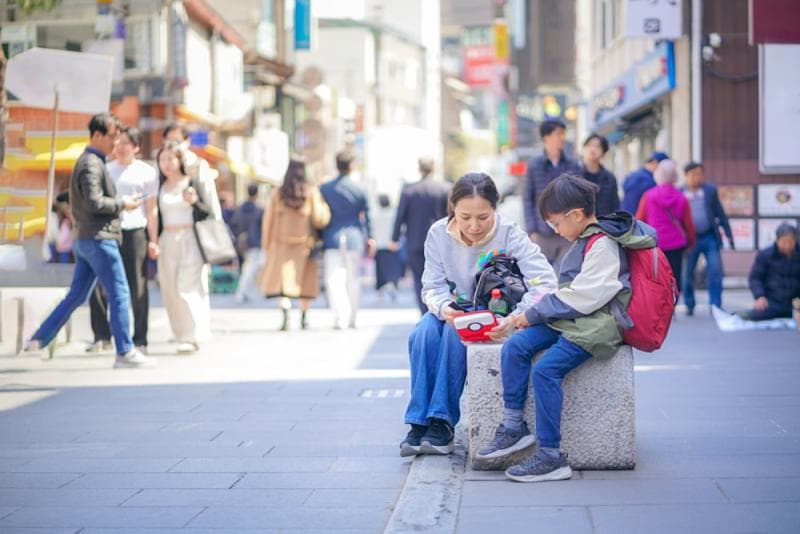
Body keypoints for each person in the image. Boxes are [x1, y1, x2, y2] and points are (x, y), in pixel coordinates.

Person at [476, 174, 656, 483]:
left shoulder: (602, 245)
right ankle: (513, 426)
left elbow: (585, 297)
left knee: (546, 370)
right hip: (574, 318)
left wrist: (528, 316)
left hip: (598, 324)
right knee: (515, 346)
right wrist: (523, 318)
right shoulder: (586, 240)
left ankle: (550, 456)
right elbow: (570, 298)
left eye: (557, 224)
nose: (556, 230)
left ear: (575, 215)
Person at [400, 172, 557, 458]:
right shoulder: (437, 233)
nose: (473, 226)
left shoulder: (510, 233)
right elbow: (431, 285)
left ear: (494, 209)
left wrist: (516, 317)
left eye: (483, 217)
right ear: (453, 210)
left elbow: (545, 282)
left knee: (453, 333)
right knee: (422, 333)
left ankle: (441, 422)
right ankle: (418, 421)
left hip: (492, 313)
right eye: (465, 217)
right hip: (450, 308)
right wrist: (442, 306)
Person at [24, 113, 154, 368]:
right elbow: (94, 202)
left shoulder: (91, 162)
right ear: (97, 135)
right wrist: (123, 204)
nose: (116, 142)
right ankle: (125, 351)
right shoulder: (92, 164)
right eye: (112, 136)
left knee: (76, 295)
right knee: (119, 292)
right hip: (99, 238)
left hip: (86, 238)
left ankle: (38, 339)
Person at [87, 126, 158, 353]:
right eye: (118, 142)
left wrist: (153, 240)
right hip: (108, 230)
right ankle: (101, 336)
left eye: (126, 143)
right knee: (99, 284)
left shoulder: (146, 172)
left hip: (135, 230)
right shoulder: (105, 169)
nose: (120, 147)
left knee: (137, 285)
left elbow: (152, 209)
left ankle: (140, 339)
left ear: (136, 147)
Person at [148, 142, 213, 353]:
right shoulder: (158, 186)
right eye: (162, 159)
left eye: (170, 159)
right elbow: (153, 215)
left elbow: (207, 211)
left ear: (179, 160)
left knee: (187, 285)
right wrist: (154, 241)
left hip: (190, 239)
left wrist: (194, 202)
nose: (166, 164)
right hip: (167, 239)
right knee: (170, 289)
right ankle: (180, 333)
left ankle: (192, 335)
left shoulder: (191, 182)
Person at [260, 157, 331, 330]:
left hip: (280, 245)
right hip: (304, 246)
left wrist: (266, 244)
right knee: (304, 282)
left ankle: (285, 313)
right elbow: (320, 219)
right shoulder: (311, 192)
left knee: (282, 282)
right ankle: (304, 316)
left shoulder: (278, 193)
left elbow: (268, 221)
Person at [319, 150, 376, 330]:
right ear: (352, 166)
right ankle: (353, 316)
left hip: (332, 237)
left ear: (336, 165)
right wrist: (371, 237)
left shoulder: (325, 188)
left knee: (333, 279)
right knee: (353, 279)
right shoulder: (360, 188)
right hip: (354, 238)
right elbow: (368, 216)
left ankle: (339, 316)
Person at [390, 157, 451, 314]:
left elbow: (400, 215)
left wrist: (394, 238)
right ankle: (438, 308)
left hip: (415, 241)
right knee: (440, 276)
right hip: (441, 242)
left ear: (419, 169)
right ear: (434, 168)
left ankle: (424, 311)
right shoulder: (444, 188)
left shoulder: (409, 190)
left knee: (419, 278)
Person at [522, 119, 581, 268]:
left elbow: (580, 197)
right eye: (558, 134)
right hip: (542, 232)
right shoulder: (534, 165)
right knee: (542, 276)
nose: (562, 138)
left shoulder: (572, 165)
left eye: (563, 134)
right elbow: (527, 199)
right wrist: (532, 230)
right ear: (546, 137)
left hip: (568, 232)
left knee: (564, 275)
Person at [681, 161, 735, 315]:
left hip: (710, 236)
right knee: (687, 272)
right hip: (690, 239)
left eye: (700, 174)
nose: (697, 177)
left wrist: (729, 235)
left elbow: (720, 213)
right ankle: (689, 304)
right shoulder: (679, 192)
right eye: (694, 174)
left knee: (715, 269)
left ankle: (715, 305)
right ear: (686, 176)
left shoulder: (710, 190)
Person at [635, 159, 696, 286]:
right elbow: (688, 224)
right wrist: (691, 242)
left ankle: (658, 305)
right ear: (675, 176)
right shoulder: (681, 198)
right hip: (676, 245)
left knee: (656, 280)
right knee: (674, 279)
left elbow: (639, 221)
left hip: (654, 245)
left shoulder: (649, 196)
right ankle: (672, 304)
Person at [162, 123, 223, 220]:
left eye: (177, 141)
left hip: (194, 225)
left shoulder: (197, 164)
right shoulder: (161, 165)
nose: (173, 145)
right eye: (169, 140)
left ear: (187, 141)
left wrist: (217, 221)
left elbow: (209, 197)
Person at [741, 223, 800, 321]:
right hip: (772, 301)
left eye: (791, 241)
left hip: (796, 301)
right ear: (777, 240)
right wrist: (760, 296)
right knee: (755, 315)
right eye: (784, 241)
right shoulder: (765, 255)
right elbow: (755, 278)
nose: (788, 245)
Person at [231, 183, 265, 303]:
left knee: (247, 268)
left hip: (241, 243)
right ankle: (241, 292)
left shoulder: (240, 209)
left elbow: (234, 224)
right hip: (254, 242)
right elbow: (263, 227)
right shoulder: (259, 210)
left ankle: (246, 292)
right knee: (250, 269)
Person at [580, 133, 619, 216]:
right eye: (589, 145)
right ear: (583, 149)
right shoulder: (573, 177)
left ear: (603, 152)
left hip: (604, 225)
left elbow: (615, 206)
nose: (592, 149)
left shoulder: (609, 178)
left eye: (597, 146)